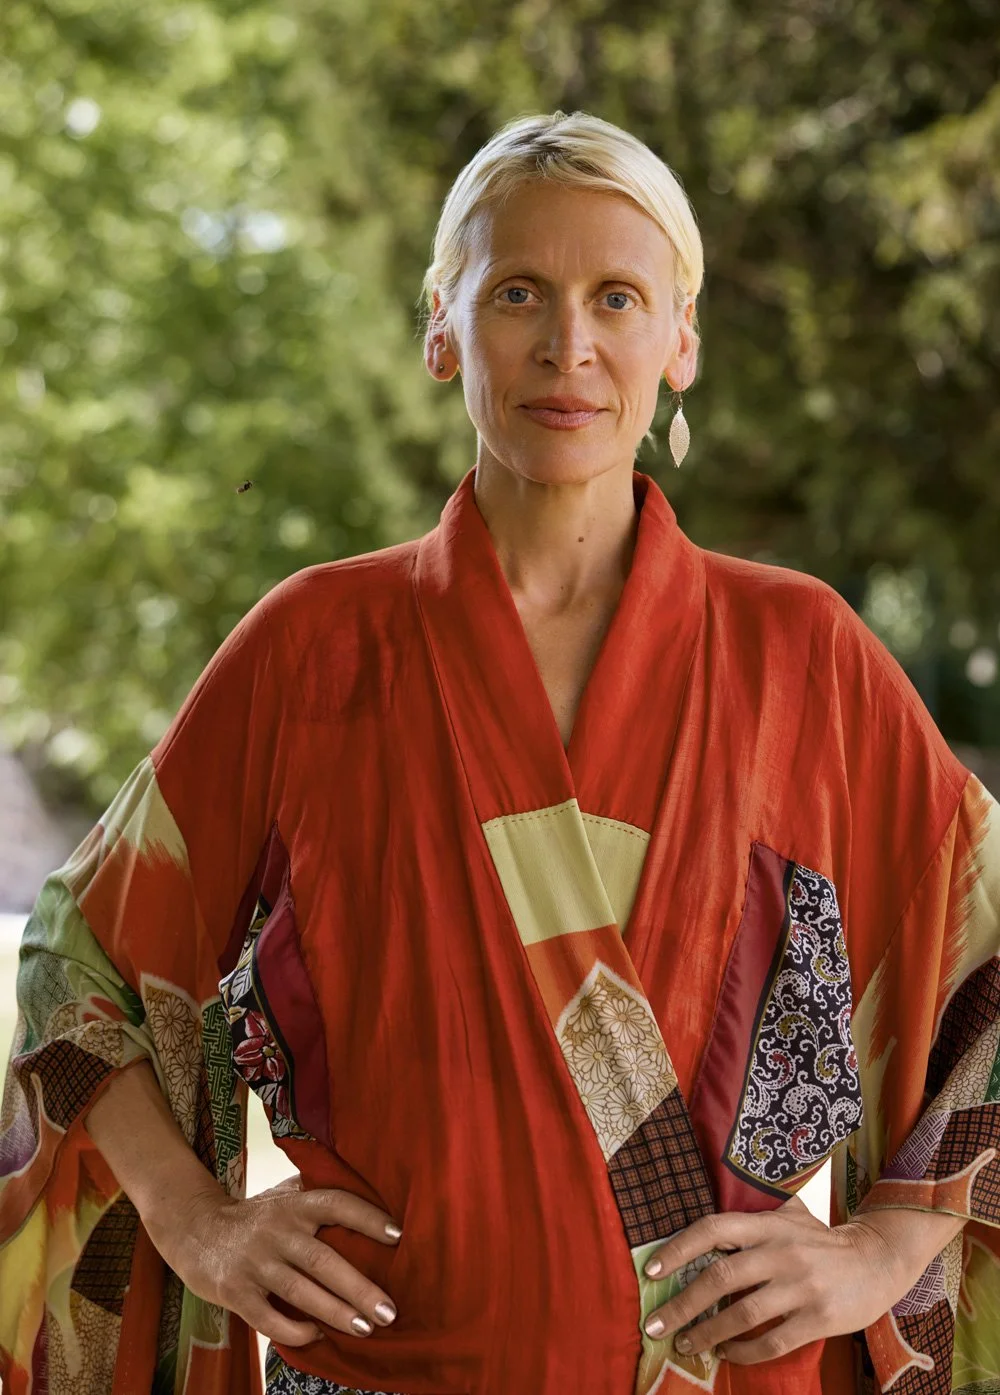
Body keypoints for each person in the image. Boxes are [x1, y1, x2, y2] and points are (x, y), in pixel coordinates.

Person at [1, 108, 998, 1395]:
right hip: (377, 1365)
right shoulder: (314, 645)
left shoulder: (799, 652)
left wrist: (880, 1247)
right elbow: (74, 956)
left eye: (618, 297)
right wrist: (194, 1218)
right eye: (517, 291)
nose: (567, 346)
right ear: (440, 325)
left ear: (679, 341)